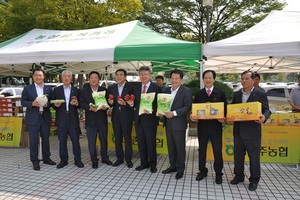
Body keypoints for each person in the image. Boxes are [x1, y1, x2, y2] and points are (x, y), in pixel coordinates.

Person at [228, 70, 271, 191]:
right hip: (238, 131)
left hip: (253, 132)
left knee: (254, 157)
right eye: (242, 79)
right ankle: (239, 176)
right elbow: (233, 109)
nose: (244, 81)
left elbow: (267, 110)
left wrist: (264, 117)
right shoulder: (237, 94)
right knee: (238, 156)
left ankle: (254, 180)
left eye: (247, 79)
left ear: (253, 80)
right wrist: (229, 117)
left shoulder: (260, 94)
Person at [190, 70, 227, 184]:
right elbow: (195, 110)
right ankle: (202, 171)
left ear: (214, 79)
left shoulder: (220, 93)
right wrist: (193, 116)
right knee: (202, 151)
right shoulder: (199, 94)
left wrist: (224, 117)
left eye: (210, 78)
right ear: (203, 79)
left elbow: (225, 109)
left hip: (216, 127)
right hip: (202, 127)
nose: (208, 80)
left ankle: (218, 173)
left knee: (217, 151)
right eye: (205, 78)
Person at [21, 68, 56, 171]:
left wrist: (47, 104)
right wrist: (32, 103)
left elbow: (51, 102)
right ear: (33, 77)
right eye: (36, 75)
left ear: (43, 77)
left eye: (40, 75)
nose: (38, 77)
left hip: (45, 117)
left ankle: (46, 158)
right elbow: (23, 102)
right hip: (33, 118)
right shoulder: (28, 88)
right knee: (34, 141)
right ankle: (35, 161)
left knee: (46, 139)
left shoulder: (48, 89)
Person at [161, 69, 192, 179]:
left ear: (181, 79)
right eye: (172, 78)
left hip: (178, 123)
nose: (174, 80)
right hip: (168, 123)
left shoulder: (186, 91)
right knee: (171, 147)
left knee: (179, 147)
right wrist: (160, 112)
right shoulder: (166, 90)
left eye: (177, 78)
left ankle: (180, 169)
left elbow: (187, 107)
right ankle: (172, 166)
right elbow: (163, 105)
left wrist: (173, 113)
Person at [79, 71, 112, 169]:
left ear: (99, 79)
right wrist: (89, 107)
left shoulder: (104, 90)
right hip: (90, 121)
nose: (94, 79)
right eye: (92, 78)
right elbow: (81, 103)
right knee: (91, 141)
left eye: (96, 78)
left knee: (104, 140)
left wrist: (107, 105)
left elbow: (109, 103)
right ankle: (94, 159)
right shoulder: (84, 91)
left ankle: (105, 158)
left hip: (102, 119)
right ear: (89, 79)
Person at [131, 66, 161, 173]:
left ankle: (153, 164)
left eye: (146, 74)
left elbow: (159, 104)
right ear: (139, 76)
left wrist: (152, 110)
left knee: (151, 143)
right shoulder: (135, 88)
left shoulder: (156, 88)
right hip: (139, 120)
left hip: (150, 119)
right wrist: (131, 103)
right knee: (141, 143)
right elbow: (134, 103)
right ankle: (144, 163)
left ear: (150, 75)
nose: (144, 76)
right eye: (142, 74)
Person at [51, 70, 84, 169]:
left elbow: (80, 104)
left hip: (73, 118)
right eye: (64, 76)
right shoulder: (56, 90)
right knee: (62, 141)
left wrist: (77, 104)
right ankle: (63, 160)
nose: (66, 78)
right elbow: (52, 103)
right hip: (61, 119)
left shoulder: (76, 90)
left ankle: (78, 160)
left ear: (71, 78)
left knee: (75, 141)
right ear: (62, 78)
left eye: (68, 76)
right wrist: (55, 105)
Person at [107, 69, 134, 168]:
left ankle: (128, 159)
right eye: (117, 75)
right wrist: (110, 103)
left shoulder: (131, 87)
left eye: (121, 75)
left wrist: (125, 103)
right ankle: (119, 158)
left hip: (127, 116)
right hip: (115, 117)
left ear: (125, 76)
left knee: (127, 138)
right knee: (117, 138)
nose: (119, 77)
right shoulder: (111, 88)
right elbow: (109, 101)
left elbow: (133, 103)